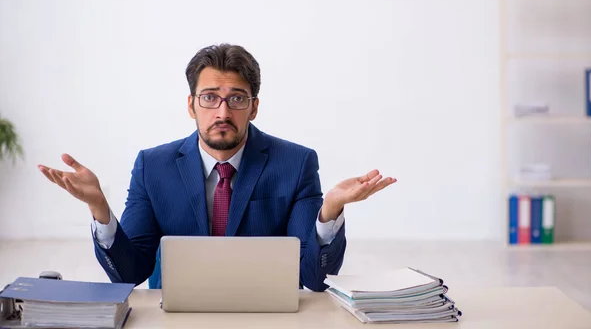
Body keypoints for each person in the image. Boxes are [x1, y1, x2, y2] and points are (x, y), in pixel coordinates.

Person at [38, 44, 396, 291]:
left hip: (268, 314)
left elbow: (314, 279)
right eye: (210, 98)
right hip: (176, 313)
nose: (222, 113)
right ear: (191, 105)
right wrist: (100, 210)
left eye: (236, 98)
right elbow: (130, 274)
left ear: (254, 107)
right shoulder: (153, 166)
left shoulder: (296, 163)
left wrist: (330, 211)